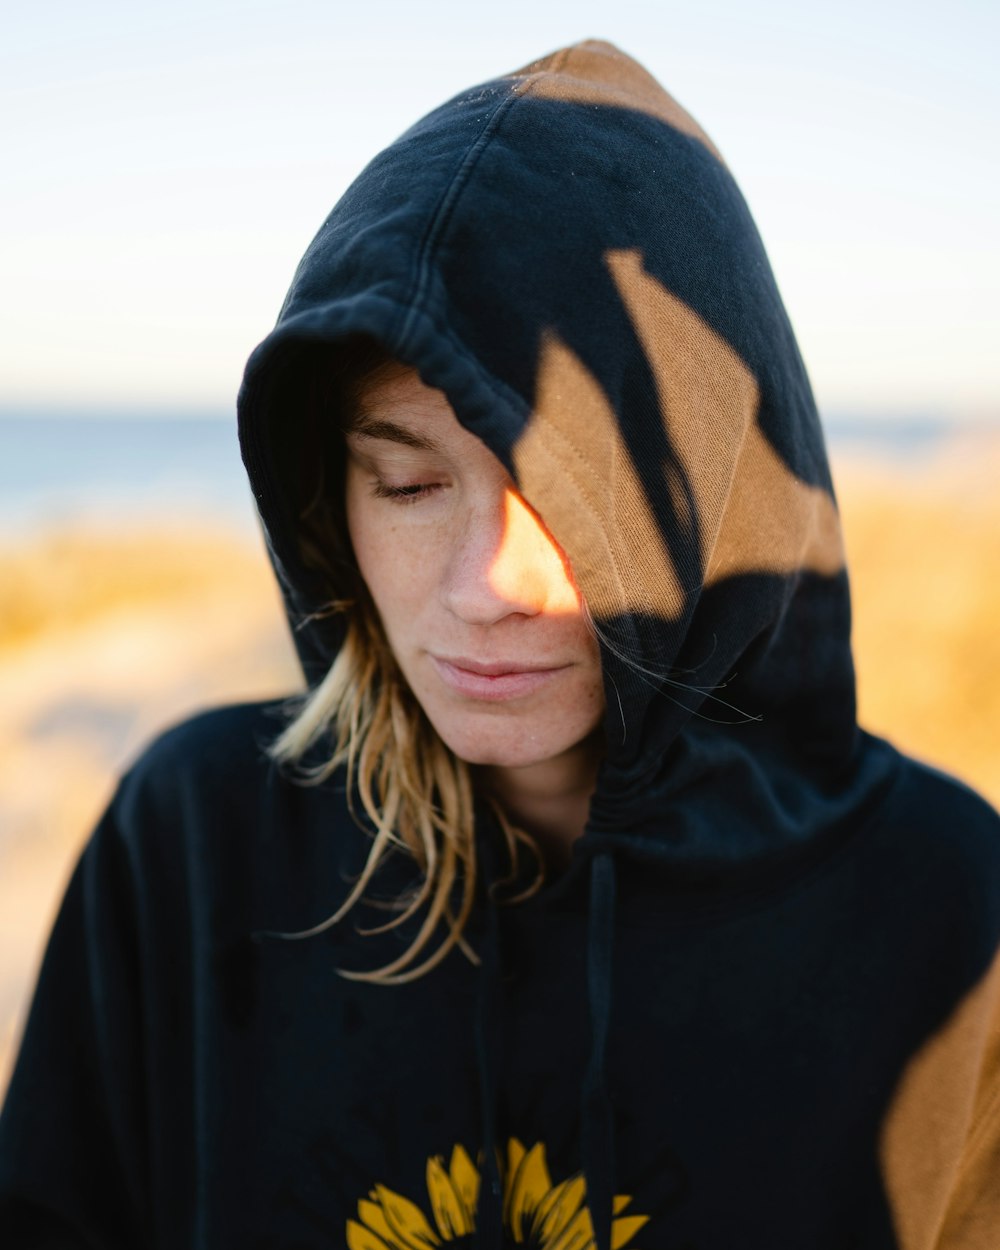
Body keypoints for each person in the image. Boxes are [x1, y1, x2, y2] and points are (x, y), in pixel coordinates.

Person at [1, 37, 999, 1250]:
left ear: (709, 497)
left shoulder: (947, 909)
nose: (485, 588)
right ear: (330, 504)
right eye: (409, 485)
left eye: (574, 500)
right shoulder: (194, 841)